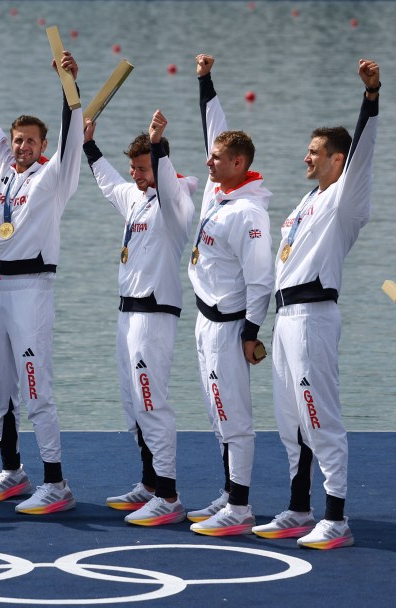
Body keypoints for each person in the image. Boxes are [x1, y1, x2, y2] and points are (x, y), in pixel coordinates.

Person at [252, 59, 379, 549]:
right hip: (286, 319)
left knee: (319, 415)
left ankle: (337, 517)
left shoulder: (346, 199)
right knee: (290, 420)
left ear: (337, 160)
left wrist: (371, 98)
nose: (306, 158)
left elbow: (365, 152)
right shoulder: (308, 200)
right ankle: (299, 508)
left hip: (314, 317)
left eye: (314, 153)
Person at [0, 37, 83, 514]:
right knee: (0, 388)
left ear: (42, 147)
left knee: (36, 387)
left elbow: (72, 129)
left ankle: (56, 482)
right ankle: (12, 471)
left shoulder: (55, 175)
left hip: (31, 289)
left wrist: (68, 81)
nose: (21, 147)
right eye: (17, 140)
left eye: (31, 142)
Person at [83, 111, 197, 526]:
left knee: (152, 403)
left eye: (143, 167)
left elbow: (164, 181)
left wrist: (157, 144)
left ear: (160, 166)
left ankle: (168, 495)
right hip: (127, 313)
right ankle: (149, 483)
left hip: (155, 314)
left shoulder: (177, 201)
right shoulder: (136, 197)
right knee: (132, 406)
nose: (136, 174)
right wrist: (89, 143)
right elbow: (109, 182)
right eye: (134, 166)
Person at [187, 54, 273, 535]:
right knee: (215, 408)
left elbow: (261, 281)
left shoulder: (249, 215)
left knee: (232, 414)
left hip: (229, 326)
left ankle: (240, 508)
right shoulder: (220, 193)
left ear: (239, 164)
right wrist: (205, 79)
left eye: (217, 159)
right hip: (205, 321)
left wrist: (250, 334)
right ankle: (228, 491)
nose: (208, 161)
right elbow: (212, 126)